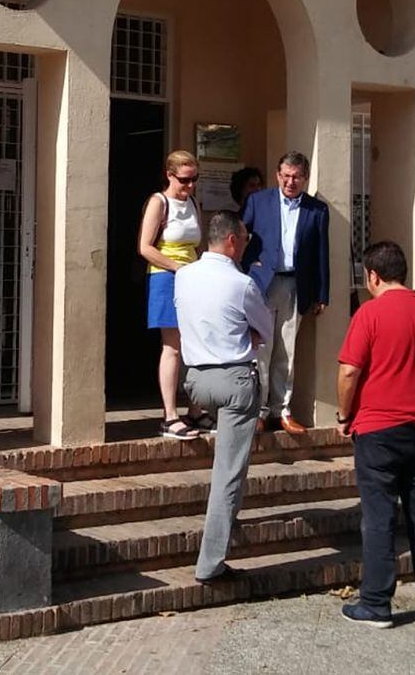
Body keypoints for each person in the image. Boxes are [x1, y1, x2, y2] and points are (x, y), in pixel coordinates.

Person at [335, 241, 415, 628]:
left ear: (372, 275)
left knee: (379, 517)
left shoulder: (369, 314)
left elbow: (349, 371)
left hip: (378, 428)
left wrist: (344, 414)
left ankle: (375, 603)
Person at [175, 211, 272, 582]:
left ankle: (226, 524)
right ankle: (210, 564)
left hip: (196, 382)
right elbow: (263, 328)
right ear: (232, 240)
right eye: (244, 239)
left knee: (228, 471)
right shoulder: (242, 283)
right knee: (229, 473)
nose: (246, 245)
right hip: (234, 379)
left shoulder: (184, 275)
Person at [241, 151, 329, 434]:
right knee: (261, 349)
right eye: (286, 176)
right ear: (278, 175)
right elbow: (240, 236)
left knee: (287, 351)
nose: (290, 182)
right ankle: (259, 411)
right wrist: (245, 265)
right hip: (262, 283)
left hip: (296, 285)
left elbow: (321, 254)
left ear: (305, 178)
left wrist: (322, 294)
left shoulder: (317, 210)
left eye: (296, 177)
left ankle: (283, 410)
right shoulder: (258, 201)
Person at [138, 149, 208, 439]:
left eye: (194, 179)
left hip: (193, 276)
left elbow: (198, 243)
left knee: (197, 343)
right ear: (170, 175)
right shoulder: (159, 202)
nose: (189, 186)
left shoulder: (192, 202)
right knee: (174, 346)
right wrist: (177, 267)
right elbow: (145, 247)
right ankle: (170, 415)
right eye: (184, 180)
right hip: (166, 277)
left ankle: (196, 410)